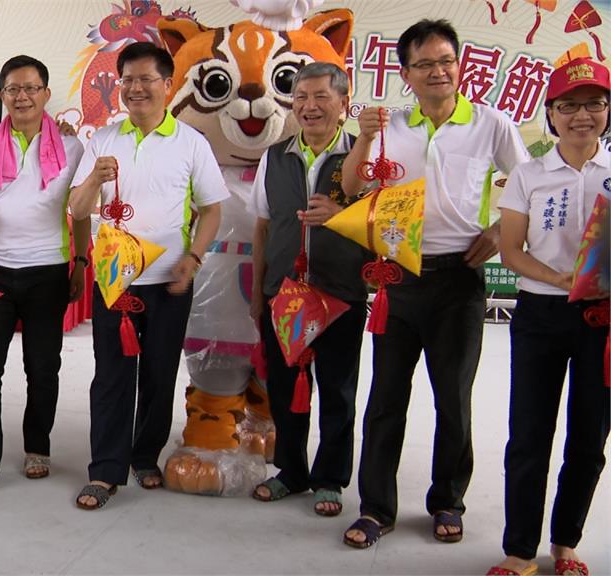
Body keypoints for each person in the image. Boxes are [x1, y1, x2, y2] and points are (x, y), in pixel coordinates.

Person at [338, 19, 530, 547]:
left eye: (445, 61)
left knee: (454, 398)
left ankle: (447, 500)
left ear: (459, 65)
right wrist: (367, 139)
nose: (437, 71)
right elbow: (352, 185)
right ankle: (376, 508)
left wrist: (498, 231)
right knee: (385, 399)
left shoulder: (491, 124)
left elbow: (526, 185)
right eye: (424, 64)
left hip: (458, 281)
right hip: (398, 279)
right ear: (406, 74)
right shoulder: (391, 126)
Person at [68, 41, 226, 510]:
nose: (135, 89)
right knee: (112, 375)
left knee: (159, 374)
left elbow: (212, 210)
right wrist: (95, 179)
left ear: (167, 85)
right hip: (114, 282)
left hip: (169, 282)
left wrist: (193, 258)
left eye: (145, 80)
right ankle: (106, 470)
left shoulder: (191, 143)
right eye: (128, 81)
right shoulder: (103, 140)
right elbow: (76, 210)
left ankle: (145, 456)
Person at [487, 58, 610, 576]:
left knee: (589, 436)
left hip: (603, 319)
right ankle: (519, 551)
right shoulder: (528, 175)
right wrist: (561, 280)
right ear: (551, 115)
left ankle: (566, 544)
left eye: (595, 104)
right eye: (569, 106)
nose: (583, 116)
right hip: (540, 313)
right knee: (529, 431)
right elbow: (511, 250)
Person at [0, 55, 88, 494]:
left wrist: (79, 262)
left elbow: (79, 212)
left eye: (30, 88)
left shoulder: (73, 148)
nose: (21, 96)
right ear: (2, 95)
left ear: (45, 94)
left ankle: (37, 448)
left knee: (43, 367)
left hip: (47, 271)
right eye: (12, 89)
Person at [249, 62, 368, 516]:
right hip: (286, 296)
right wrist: (260, 293)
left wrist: (340, 213)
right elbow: (263, 227)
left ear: (343, 103)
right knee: (283, 388)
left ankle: (331, 479)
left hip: (342, 294)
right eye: (301, 98)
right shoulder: (275, 157)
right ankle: (291, 472)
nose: (309, 107)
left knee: (338, 390)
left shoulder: (364, 155)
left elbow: (382, 226)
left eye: (321, 97)